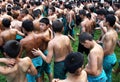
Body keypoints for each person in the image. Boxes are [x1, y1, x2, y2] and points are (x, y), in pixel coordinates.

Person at [102, 14, 118, 82]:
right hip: (112, 57)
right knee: (108, 75)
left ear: (107, 23)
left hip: (107, 59)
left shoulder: (108, 35)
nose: (103, 21)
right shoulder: (114, 32)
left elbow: (107, 50)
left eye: (104, 20)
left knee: (103, 76)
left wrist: (99, 55)